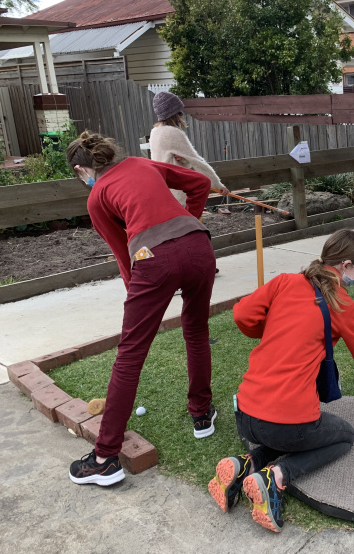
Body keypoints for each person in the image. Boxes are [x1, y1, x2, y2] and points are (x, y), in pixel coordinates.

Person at [207, 229, 354, 532]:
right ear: (345, 265)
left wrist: (271, 334)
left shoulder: (284, 282)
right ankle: (276, 477)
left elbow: (241, 314)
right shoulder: (342, 305)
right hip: (285, 425)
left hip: (245, 415)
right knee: (343, 436)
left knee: (283, 430)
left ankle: (245, 464)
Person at [66, 131, 218, 487]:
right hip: (199, 246)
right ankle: (201, 414)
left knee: (130, 354)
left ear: (81, 170)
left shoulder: (97, 197)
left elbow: (124, 255)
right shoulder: (141, 163)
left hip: (153, 260)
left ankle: (104, 458)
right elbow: (199, 183)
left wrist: (136, 293)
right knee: (195, 330)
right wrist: (185, 223)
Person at [149, 91, 230, 206]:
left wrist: (183, 160)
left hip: (162, 190)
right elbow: (197, 161)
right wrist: (218, 185)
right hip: (176, 193)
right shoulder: (172, 133)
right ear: (174, 112)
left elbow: (167, 160)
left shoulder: (155, 132)